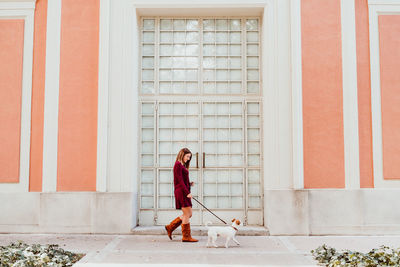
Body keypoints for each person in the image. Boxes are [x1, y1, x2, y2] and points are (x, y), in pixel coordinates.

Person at [165, 148, 198, 242]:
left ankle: (170, 227)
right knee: (187, 213)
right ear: (182, 154)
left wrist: (189, 184)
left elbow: (182, 180)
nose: (188, 159)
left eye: (189, 157)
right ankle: (186, 236)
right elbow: (179, 181)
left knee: (188, 213)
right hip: (182, 192)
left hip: (183, 190)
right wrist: (187, 192)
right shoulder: (178, 165)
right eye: (187, 156)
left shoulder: (181, 165)